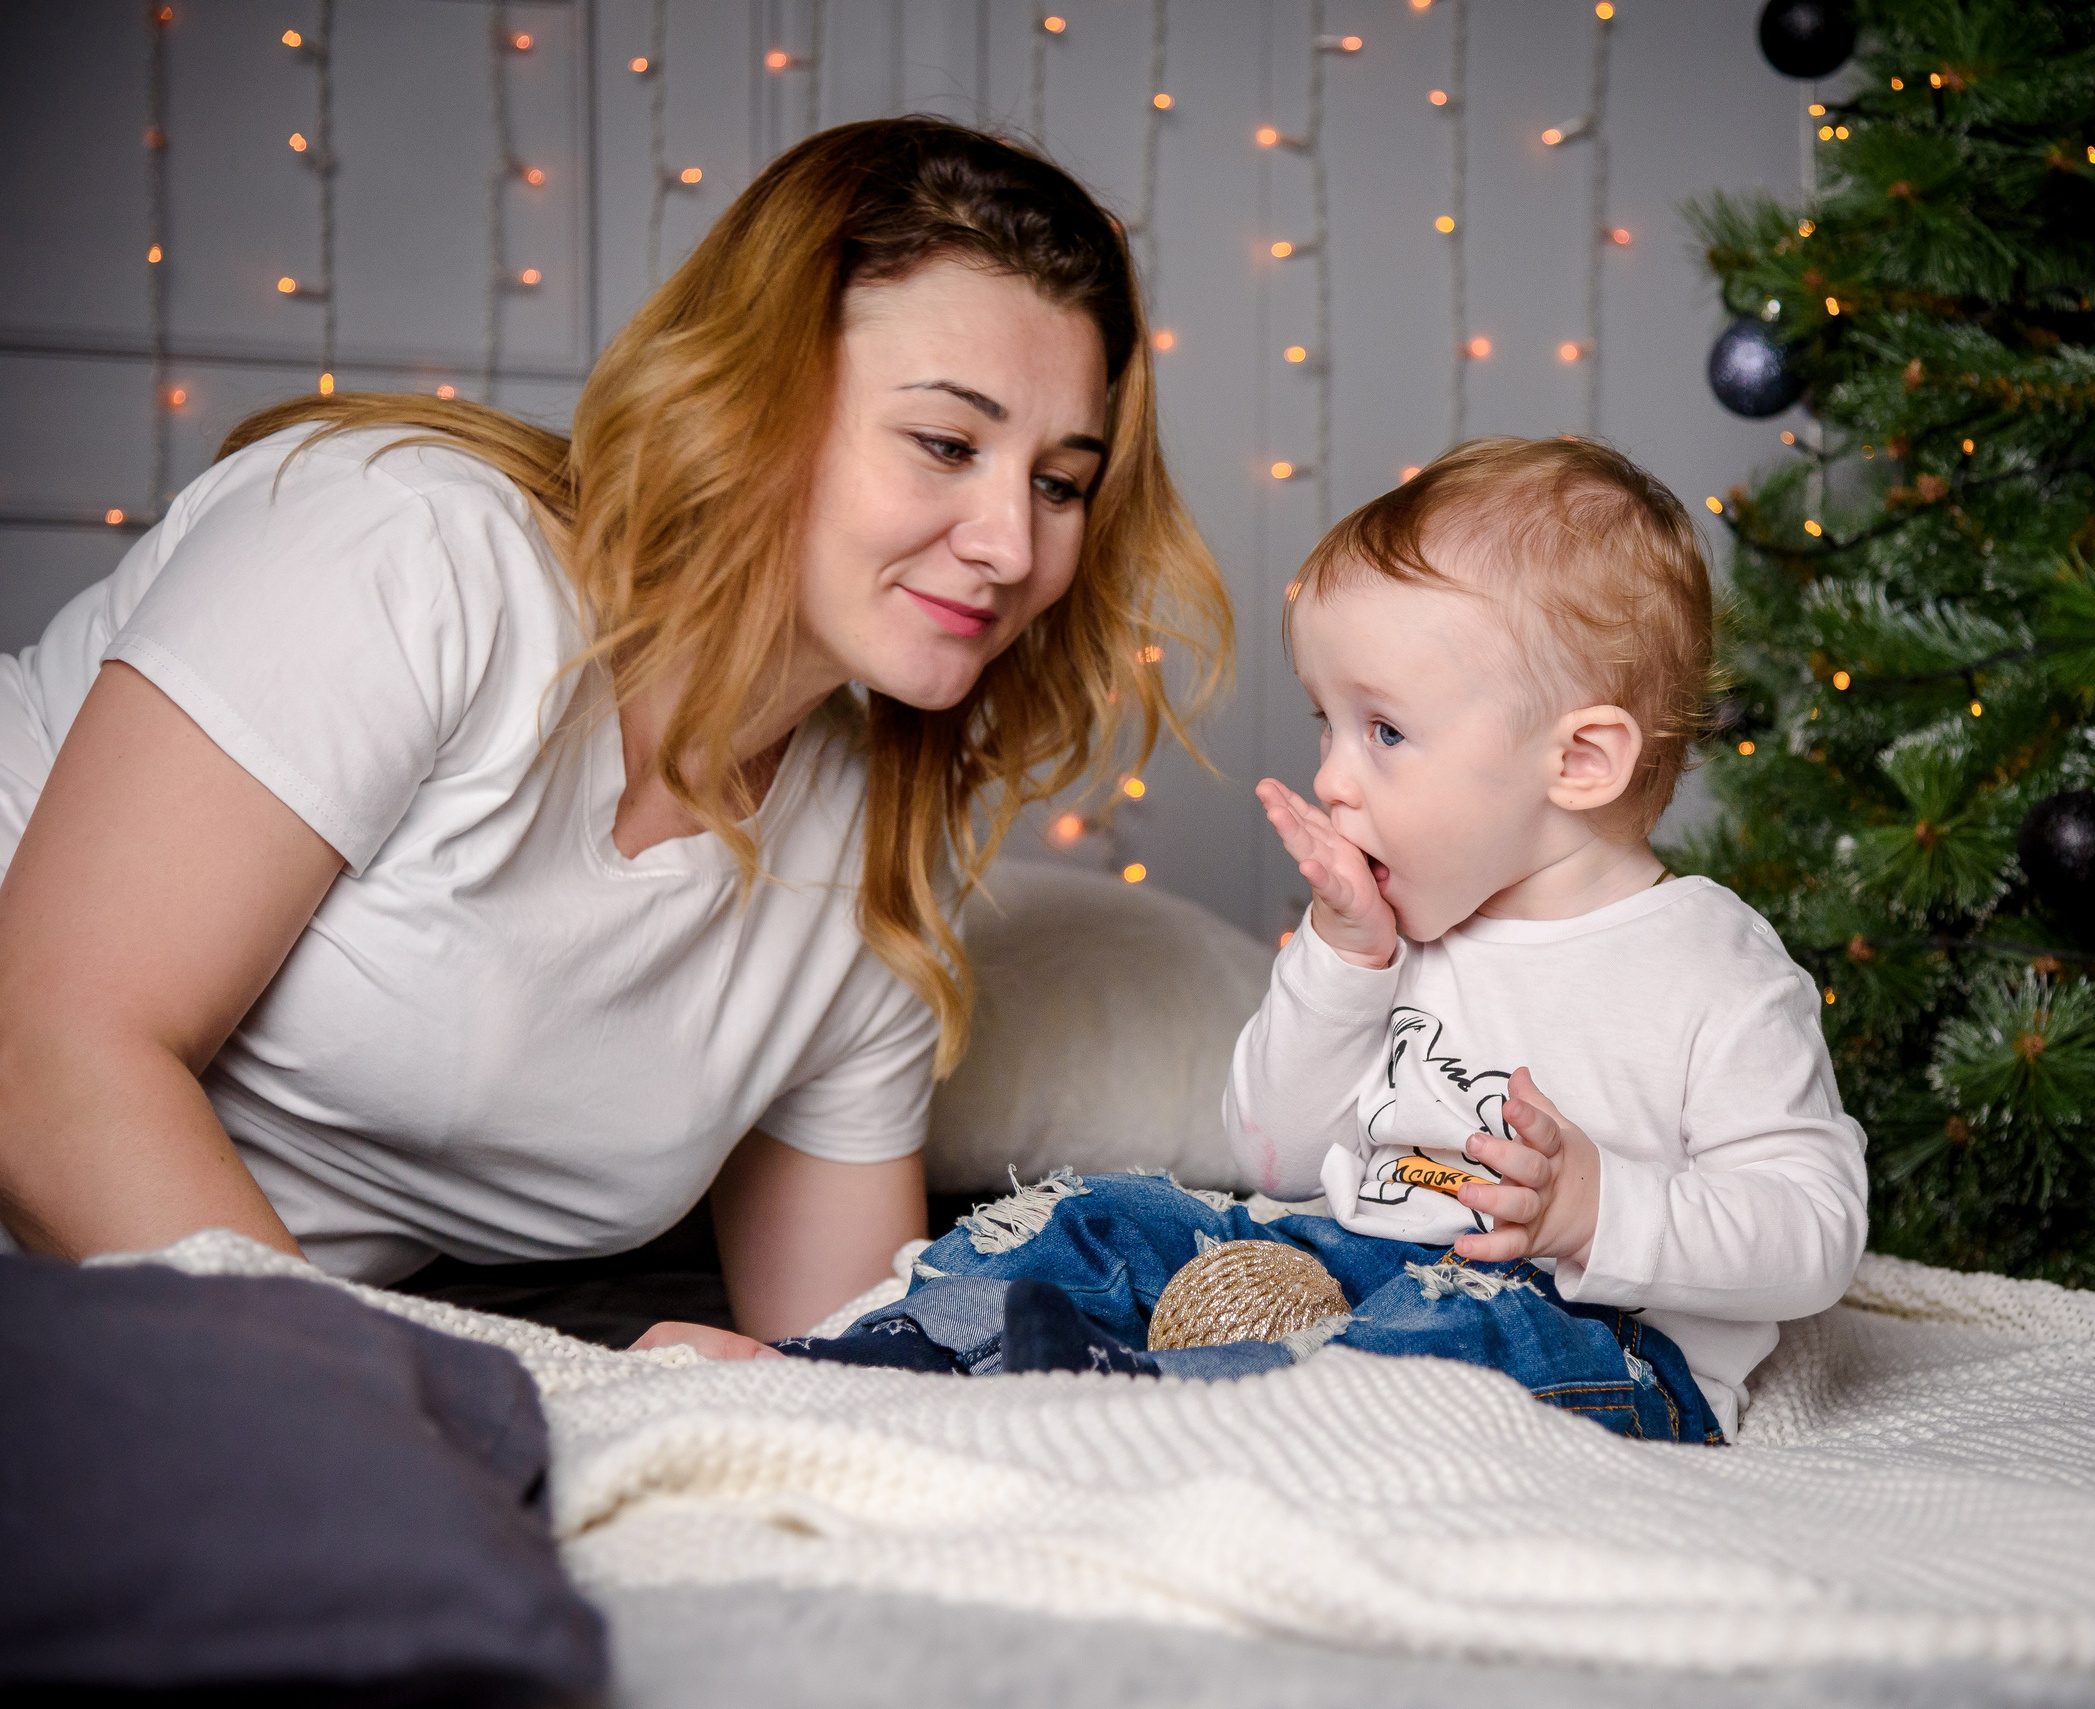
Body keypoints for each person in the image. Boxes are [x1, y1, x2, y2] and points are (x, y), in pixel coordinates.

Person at [0, 118, 1228, 1344]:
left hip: (206, 1344)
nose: (1011, 544)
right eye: (946, 444)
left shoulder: (866, 862)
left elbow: (847, 1351)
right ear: (755, 398)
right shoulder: (409, 546)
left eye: (1059, 481)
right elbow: (45, 1057)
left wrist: (732, 1397)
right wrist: (372, 1408)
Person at [764, 437, 1867, 1440]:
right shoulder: (1396, 925)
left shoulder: (1710, 966)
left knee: (1451, 1327)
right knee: (1108, 1211)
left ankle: (1142, 1410)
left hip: (1596, 1335)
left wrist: (1596, 1210)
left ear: (1578, 762)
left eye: (1384, 730)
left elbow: (1813, 1231)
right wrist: (1342, 961)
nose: (1333, 778)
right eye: (1326, 724)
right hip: (1346, 1261)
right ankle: (902, 1355)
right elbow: (1273, 1158)